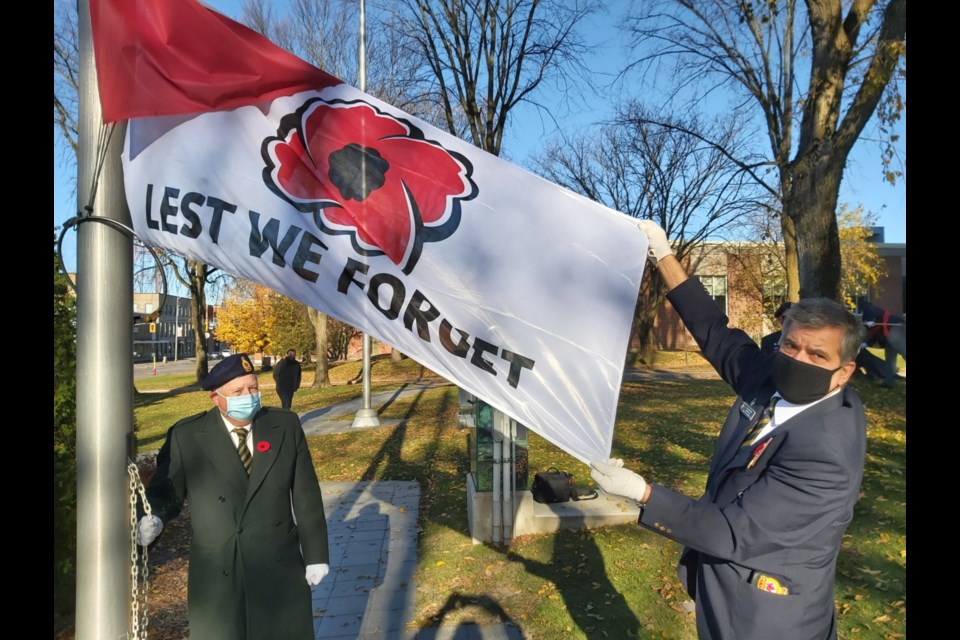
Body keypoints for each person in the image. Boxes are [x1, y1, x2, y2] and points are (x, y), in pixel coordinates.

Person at [590, 220, 866, 640]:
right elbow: (715, 333)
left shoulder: (826, 452)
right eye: (791, 345)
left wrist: (640, 492)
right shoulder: (771, 377)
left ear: (844, 372)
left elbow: (731, 532)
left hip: (766, 616)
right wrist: (663, 255)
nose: (798, 359)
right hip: (724, 590)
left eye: (817, 354)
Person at [136, 353, 329, 640]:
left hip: (278, 563)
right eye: (238, 392)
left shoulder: (284, 426)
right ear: (216, 398)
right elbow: (167, 490)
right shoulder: (188, 435)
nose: (248, 396)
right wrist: (156, 518)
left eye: (253, 388)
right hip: (219, 570)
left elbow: (306, 494)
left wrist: (315, 555)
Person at [859, 301, 906, 388]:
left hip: (895, 328)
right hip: (889, 334)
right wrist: (866, 343)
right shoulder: (878, 320)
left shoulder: (869, 308)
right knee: (890, 358)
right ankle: (889, 383)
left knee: (904, 352)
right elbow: (876, 333)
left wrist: (869, 319)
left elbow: (867, 309)